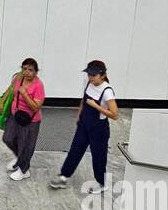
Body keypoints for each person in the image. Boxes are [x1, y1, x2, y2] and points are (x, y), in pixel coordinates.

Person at [50, 60, 118, 191]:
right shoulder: (90, 83)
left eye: (93, 75)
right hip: (84, 125)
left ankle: (101, 183)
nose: (90, 77)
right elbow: (84, 100)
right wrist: (79, 114)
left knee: (98, 156)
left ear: (102, 75)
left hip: (99, 129)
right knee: (75, 150)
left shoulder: (107, 91)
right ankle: (64, 176)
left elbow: (115, 115)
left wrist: (96, 106)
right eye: (89, 75)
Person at [4, 57, 46, 181]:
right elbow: (11, 89)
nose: (27, 72)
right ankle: (20, 158)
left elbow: (36, 107)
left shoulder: (38, 86)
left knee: (26, 145)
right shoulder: (18, 77)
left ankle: (23, 170)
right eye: (24, 69)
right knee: (8, 138)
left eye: (30, 70)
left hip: (30, 120)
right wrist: (2, 102)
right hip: (15, 115)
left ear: (36, 72)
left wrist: (24, 94)